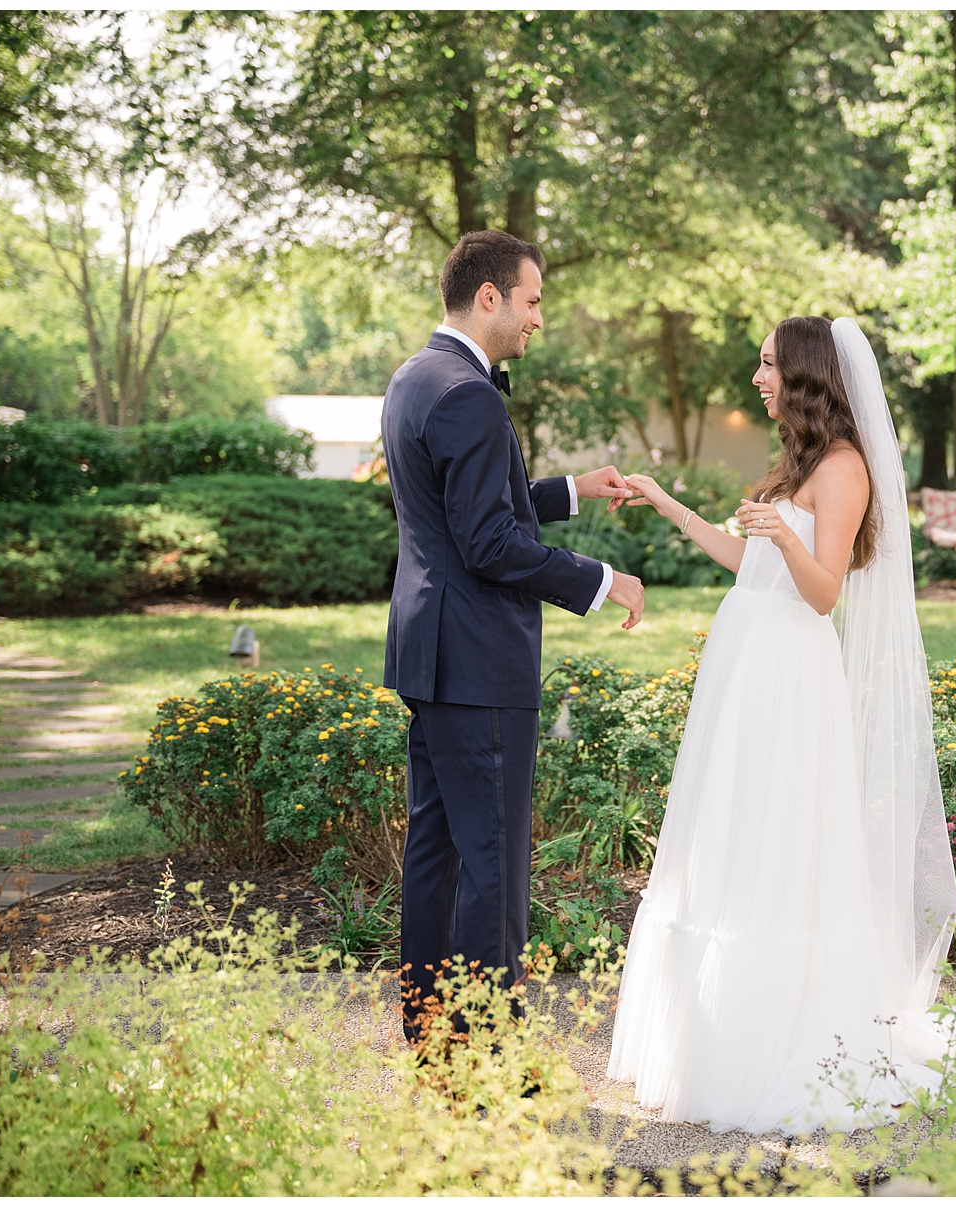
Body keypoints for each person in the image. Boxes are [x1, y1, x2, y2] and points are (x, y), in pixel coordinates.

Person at [609, 316, 956, 1134]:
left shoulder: (842, 468)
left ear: (805, 375)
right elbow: (753, 565)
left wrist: (779, 533)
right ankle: (712, 1029)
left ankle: (776, 1039)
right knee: (730, 832)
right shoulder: (797, 462)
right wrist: (670, 506)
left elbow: (824, 588)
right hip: (746, 664)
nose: (757, 376)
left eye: (768, 364)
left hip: (791, 673)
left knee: (778, 838)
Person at [381, 230, 644, 1045]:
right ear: (489, 296)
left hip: (430, 656)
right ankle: (491, 1047)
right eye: (531, 301)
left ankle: (431, 1032)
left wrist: (567, 489)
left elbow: (466, 507)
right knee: (495, 863)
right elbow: (489, 542)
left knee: (435, 852)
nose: (538, 320)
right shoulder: (471, 394)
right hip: (481, 664)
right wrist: (600, 580)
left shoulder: (416, 378)